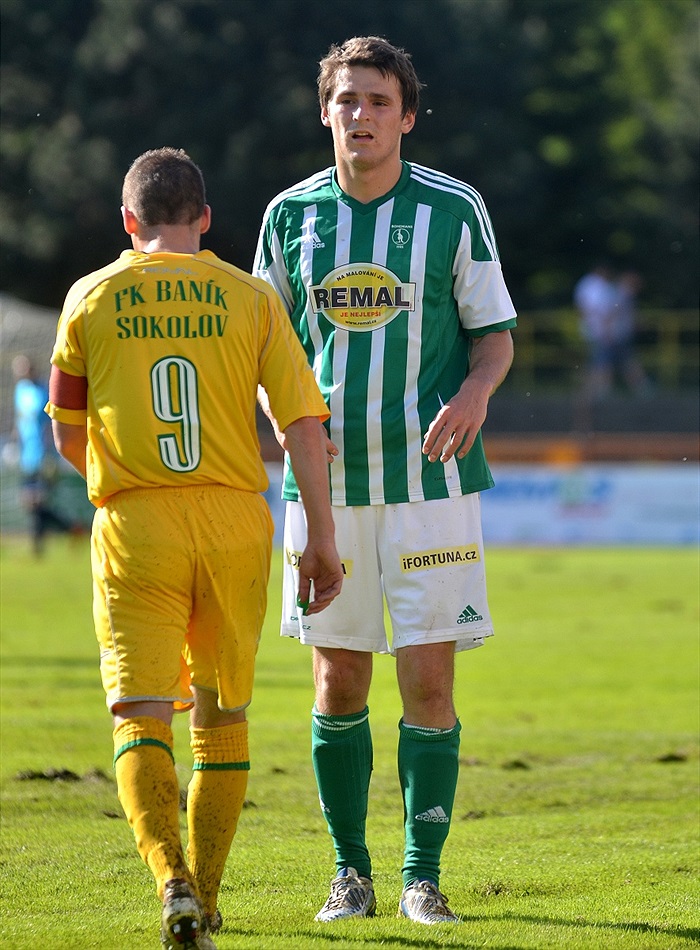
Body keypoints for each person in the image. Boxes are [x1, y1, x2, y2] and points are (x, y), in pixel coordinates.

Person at [45, 147, 343, 950]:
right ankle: (207, 898)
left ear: (128, 220)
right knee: (223, 717)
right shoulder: (248, 298)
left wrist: (117, 481)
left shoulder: (90, 298)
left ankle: (169, 881)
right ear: (206, 218)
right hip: (233, 521)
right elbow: (303, 425)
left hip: (136, 521)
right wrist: (319, 536)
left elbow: (65, 431)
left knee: (138, 713)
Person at [254, 36, 516, 925]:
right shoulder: (289, 217)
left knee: (430, 687)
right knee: (338, 685)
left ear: (406, 114)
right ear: (322, 112)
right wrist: (296, 430)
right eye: (345, 101)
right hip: (324, 491)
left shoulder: (452, 209)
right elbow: (265, 350)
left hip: (430, 486)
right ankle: (349, 874)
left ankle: (421, 877)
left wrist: (477, 392)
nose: (359, 116)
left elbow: (495, 336)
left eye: (376, 101)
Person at [573, 264, 650, 429]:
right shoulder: (618, 292)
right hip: (611, 336)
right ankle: (603, 392)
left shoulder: (613, 290)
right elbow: (609, 313)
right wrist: (607, 332)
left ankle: (604, 391)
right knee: (607, 364)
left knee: (612, 364)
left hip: (611, 335)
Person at [12, 354, 75, 555]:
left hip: (43, 455)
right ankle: (71, 528)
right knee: (30, 502)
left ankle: (37, 548)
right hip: (26, 456)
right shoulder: (20, 391)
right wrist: (16, 443)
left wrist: (52, 452)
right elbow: (19, 420)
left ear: (32, 369)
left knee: (38, 500)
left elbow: (51, 423)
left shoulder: (43, 390)